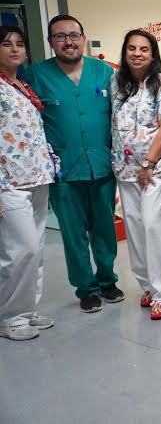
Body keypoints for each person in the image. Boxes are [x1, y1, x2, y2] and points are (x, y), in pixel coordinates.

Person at [24, 15, 124, 313]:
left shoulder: (104, 71)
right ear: (51, 42)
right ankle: (86, 288)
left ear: (83, 37)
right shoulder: (35, 75)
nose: (68, 42)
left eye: (73, 35)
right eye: (60, 36)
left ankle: (107, 280)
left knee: (105, 227)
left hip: (102, 164)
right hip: (63, 169)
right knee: (73, 232)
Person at [110, 29, 161, 320]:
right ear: (125, 53)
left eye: (144, 49)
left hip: (154, 170)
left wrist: (148, 163)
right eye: (132, 49)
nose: (137, 54)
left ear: (153, 55)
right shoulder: (116, 83)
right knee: (136, 230)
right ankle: (147, 286)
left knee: (154, 227)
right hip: (125, 169)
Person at [0, 26, 58, 340]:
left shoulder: (20, 85)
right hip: (8, 183)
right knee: (18, 250)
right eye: (6, 44)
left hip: (36, 176)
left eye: (20, 44)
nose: (14, 49)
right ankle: (9, 317)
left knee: (35, 248)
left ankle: (27, 309)